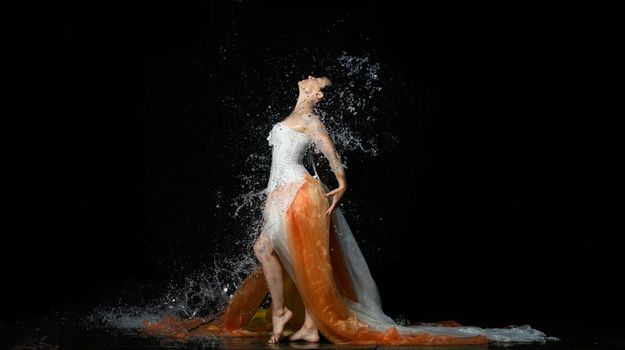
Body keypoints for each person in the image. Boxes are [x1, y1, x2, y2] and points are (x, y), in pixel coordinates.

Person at [144, 75, 556, 346]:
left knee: (289, 255)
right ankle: (297, 318)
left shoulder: (313, 123)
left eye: (318, 84)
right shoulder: (292, 117)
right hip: (277, 191)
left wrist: (341, 182)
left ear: (313, 94)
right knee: (269, 252)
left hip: (299, 191)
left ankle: (300, 318)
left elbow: (332, 155)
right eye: (314, 82)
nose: (312, 83)